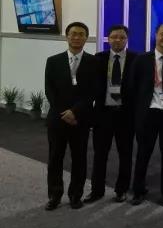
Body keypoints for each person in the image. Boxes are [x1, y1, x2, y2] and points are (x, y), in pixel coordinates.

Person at [44, 22, 98, 210]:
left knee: (79, 159)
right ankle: (54, 195)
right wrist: (64, 112)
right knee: (55, 158)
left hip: (80, 120)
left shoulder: (94, 62)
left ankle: (76, 195)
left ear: (86, 38)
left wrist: (75, 112)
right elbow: (49, 90)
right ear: (67, 36)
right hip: (57, 118)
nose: (77, 37)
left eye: (81, 34)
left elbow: (93, 92)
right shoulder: (53, 61)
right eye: (73, 33)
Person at [129, 24, 163, 206]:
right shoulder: (142, 59)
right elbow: (133, 87)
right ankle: (138, 190)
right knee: (143, 153)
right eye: (162, 34)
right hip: (148, 114)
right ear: (156, 35)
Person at [84, 25, 138, 204]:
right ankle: (96, 190)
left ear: (127, 39)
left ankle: (121, 190)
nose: (118, 40)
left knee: (125, 154)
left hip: (126, 115)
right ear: (108, 39)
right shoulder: (98, 58)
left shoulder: (135, 59)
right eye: (114, 37)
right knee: (100, 154)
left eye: (122, 37)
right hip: (103, 114)